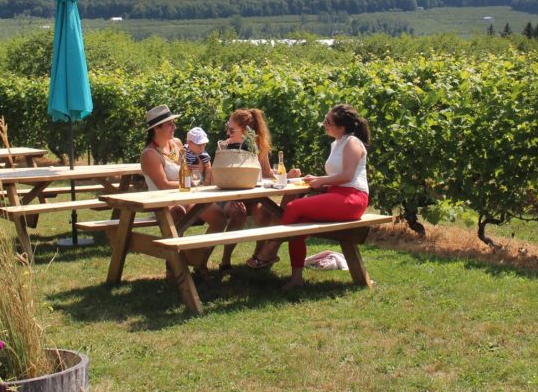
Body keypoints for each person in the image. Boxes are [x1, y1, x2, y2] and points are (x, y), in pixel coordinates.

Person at [254, 104, 370, 289]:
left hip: (352, 199)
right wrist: (317, 179)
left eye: (328, 122)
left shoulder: (352, 142)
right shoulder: (337, 143)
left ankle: (270, 248)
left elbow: (348, 176)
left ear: (341, 127)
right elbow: (338, 175)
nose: (324, 124)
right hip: (337, 195)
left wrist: (321, 181)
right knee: (298, 224)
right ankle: (296, 278)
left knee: (293, 207)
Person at [139, 106, 243, 271]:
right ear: (156, 128)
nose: (174, 127)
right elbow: (164, 185)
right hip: (162, 201)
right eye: (170, 124)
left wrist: (201, 171)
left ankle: (199, 259)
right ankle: (175, 267)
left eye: (173, 123)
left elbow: (189, 168)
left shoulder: (177, 143)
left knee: (219, 217)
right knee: (177, 212)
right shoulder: (150, 154)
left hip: (185, 196)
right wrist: (192, 183)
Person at [219, 108, 300, 270]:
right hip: (230, 196)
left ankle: (258, 256)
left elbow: (267, 173)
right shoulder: (225, 147)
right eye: (227, 127)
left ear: (246, 131)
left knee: (264, 211)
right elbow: (222, 177)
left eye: (231, 129)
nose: (228, 132)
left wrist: (287, 175)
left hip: (253, 196)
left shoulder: (257, 147)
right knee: (238, 212)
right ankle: (225, 260)